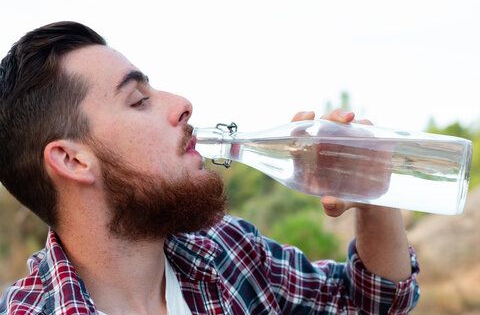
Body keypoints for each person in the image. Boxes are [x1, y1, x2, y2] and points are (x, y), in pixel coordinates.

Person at [0, 21, 419, 315]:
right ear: (72, 160)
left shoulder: (225, 252)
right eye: (138, 100)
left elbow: (372, 302)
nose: (182, 103)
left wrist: (371, 195)